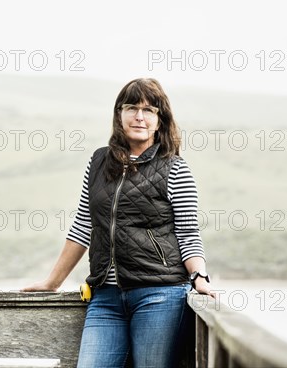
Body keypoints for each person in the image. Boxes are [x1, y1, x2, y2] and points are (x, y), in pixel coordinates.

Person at [23, 78, 215, 368]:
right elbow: (83, 225)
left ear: (160, 121)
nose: (140, 116)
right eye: (132, 107)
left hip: (159, 296)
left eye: (149, 110)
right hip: (105, 297)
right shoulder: (99, 161)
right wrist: (53, 282)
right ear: (119, 114)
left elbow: (188, 234)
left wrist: (199, 277)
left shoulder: (176, 168)